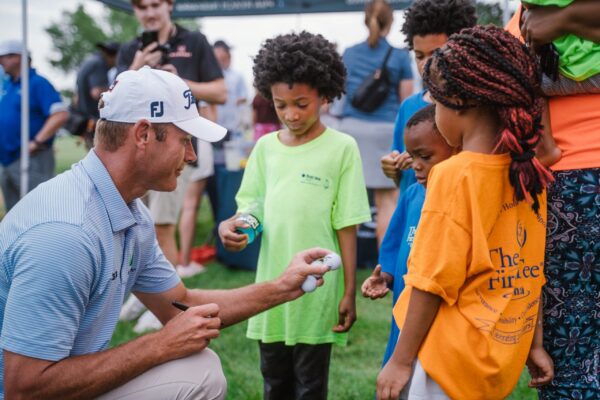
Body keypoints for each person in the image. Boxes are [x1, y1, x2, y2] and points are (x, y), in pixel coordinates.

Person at [0, 66, 335, 400]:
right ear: (143, 134)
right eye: (185, 140)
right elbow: (24, 388)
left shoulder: (128, 211)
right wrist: (158, 345)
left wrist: (281, 288)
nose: (191, 156)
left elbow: (180, 305)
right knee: (197, 374)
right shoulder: (65, 234)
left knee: (200, 369)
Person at [376, 26, 555, 400]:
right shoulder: (529, 173)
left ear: (459, 102)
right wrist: (535, 345)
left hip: (442, 365)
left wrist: (400, 359)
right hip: (495, 364)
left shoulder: (454, 175)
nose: (434, 110)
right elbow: (530, 270)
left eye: (436, 102)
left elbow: (430, 281)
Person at [218, 31, 371, 400]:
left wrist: (348, 291)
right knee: (274, 385)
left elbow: (346, 225)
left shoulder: (342, 148)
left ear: (324, 94)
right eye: (280, 104)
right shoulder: (265, 148)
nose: (290, 114)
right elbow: (252, 207)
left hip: (317, 294)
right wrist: (237, 228)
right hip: (269, 291)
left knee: (310, 387)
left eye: (301, 103)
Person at [508, 4, 600, 399]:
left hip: (569, 186)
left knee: (571, 358)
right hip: (566, 185)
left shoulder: (527, 20)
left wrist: (563, 20)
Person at [116, 0, 226, 330]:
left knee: (164, 223)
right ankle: (145, 292)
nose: (149, 13)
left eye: (154, 5)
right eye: (142, 7)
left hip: (177, 146)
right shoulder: (131, 48)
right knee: (136, 223)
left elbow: (220, 91)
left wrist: (175, 83)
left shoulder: (194, 42)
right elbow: (113, 99)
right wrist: (136, 67)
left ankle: (170, 303)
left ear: (169, 6)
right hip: (137, 151)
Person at [361, 105, 455, 369]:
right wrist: (385, 276)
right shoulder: (412, 195)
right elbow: (393, 247)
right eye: (412, 156)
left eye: (425, 156)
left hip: (441, 324)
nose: (416, 165)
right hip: (402, 312)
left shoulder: (458, 200)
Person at [380, 0, 477, 191]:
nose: (425, 64)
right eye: (419, 55)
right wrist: (393, 168)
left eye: (436, 53)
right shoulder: (408, 106)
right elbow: (405, 180)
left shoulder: (473, 109)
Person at [339, 0, 413, 246]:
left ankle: (342, 265)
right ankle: (384, 269)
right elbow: (407, 102)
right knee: (387, 202)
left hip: (351, 132)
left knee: (349, 203)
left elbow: (339, 96)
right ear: (390, 22)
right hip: (385, 132)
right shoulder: (400, 57)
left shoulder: (348, 54)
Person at [0, 40, 69, 212]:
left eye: (6, 56)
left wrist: (36, 142)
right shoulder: (8, 84)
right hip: (8, 159)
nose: (2, 61)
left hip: (32, 158)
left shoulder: (37, 83)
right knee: (14, 213)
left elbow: (60, 114)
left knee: (38, 209)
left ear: (20, 58)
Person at [75, 41, 119, 149]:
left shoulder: (89, 62)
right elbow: (96, 92)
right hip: (94, 121)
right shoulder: (99, 64)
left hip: (86, 120)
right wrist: (117, 89)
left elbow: (75, 98)